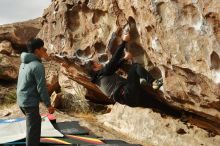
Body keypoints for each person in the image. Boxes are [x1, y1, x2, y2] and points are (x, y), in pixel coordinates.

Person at [85, 33, 163, 106]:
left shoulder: (98, 81)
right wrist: (124, 42)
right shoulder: (103, 73)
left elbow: (114, 67)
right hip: (128, 91)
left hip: (128, 101)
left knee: (156, 103)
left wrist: (125, 59)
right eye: (97, 64)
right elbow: (114, 60)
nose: (99, 63)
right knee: (135, 67)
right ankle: (153, 83)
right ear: (94, 68)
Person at [17, 38, 55, 146]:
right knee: (33, 132)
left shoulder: (23, 62)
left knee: (34, 124)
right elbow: (41, 88)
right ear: (37, 50)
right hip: (29, 102)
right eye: (43, 48)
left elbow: (27, 80)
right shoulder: (38, 65)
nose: (45, 50)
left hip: (21, 100)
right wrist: (48, 105)